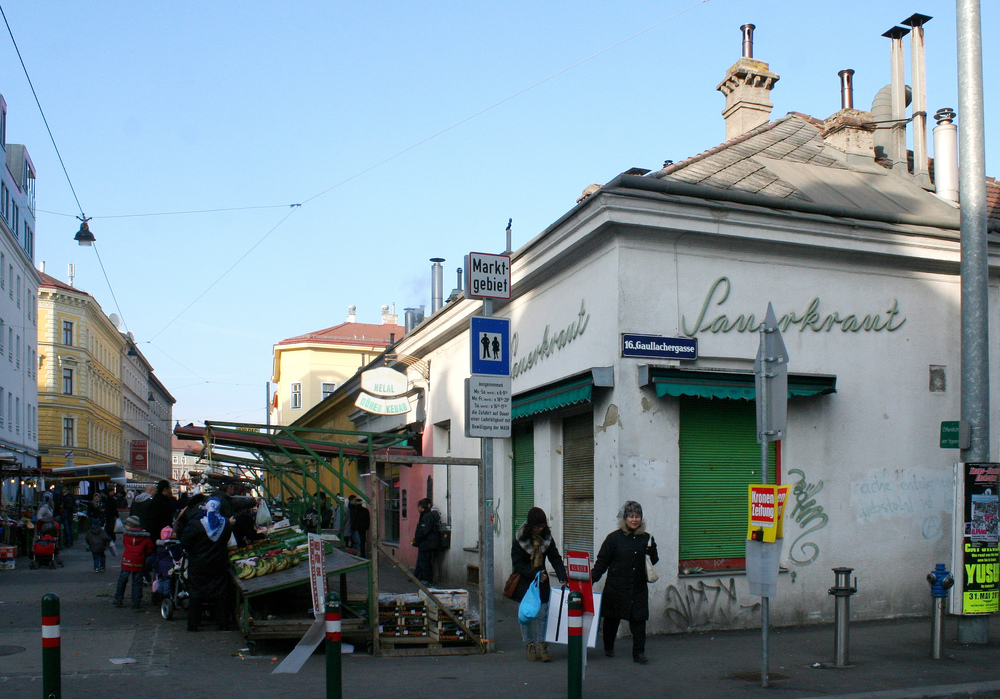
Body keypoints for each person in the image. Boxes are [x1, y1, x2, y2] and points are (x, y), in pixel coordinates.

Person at [591, 500, 659, 664]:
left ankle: (639, 653)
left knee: (639, 621)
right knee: (612, 619)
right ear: (624, 518)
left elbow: (654, 561)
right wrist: (590, 579)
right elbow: (602, 562)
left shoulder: (647, 538)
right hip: (616, 587)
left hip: (638, 588)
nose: (635, 520)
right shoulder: (613, 538)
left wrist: (652, 551)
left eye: (638, 516)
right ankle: (608, 647)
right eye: (631, 516)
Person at [510, 507, 568, 662]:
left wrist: (562, 576)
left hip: (541, 581)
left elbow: (555, 558)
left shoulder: (547, 538)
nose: (540, 529)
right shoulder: (520, 539)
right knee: (526, 615)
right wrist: (533, 573)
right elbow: (517, 563)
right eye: (536, 526)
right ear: (530, 526)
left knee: (542, 614)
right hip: (525, 581)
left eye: (542, 525)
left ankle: (542, 645)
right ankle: (529, 645)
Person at [181, 497, 233, 632]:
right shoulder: (226, 524)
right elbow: (226, 541)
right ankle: (223, 623)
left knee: (196, 593)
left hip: (198, 564)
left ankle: (193, 623)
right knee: (221, 593)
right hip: (218, 563)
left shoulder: (196, 525)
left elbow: (185, 542)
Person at [113, 516, 155, 610]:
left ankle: (118, 598)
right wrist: (143, 555)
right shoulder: (145, 537)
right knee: (137, 581)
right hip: (139, 560)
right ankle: (136, 601)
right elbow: (150, 548)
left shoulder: (126, 535)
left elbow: (125, 544)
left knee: (122, 579)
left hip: (127, 560)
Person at [412, 498, 441, 586]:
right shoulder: (426, 515)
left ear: (422, 507)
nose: (418, 508)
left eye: (419, 506)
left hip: (427, 543)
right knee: (422, 561)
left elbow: (424, 530)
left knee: (425, 561)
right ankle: (419, 577)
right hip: (427, 543)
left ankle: (426, 579)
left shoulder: (427, 516)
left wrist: (418, 538)